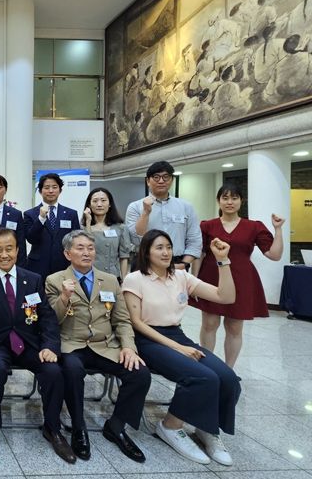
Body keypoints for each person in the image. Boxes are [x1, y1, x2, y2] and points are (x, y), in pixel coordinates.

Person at [122, 230, 240, 466]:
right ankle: (170, 426)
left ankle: (207, 427)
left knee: (228, 378)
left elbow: (225, 297)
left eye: (168, 247)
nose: (166, 252)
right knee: (202, 377)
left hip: (177, 335)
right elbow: (136, 322)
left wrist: (223, 261)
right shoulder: (135, 279)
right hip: (147, 340)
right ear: (146, 252)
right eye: (159, 248)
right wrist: (178, 348)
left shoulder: (181, 276)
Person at [0, 228, 73, 463]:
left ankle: (53, 428)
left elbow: (46, 317)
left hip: (27, 342)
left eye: (9, 249)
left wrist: (50, 346)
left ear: (17, 250)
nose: (4, 254)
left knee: (53, 371)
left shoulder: (33, 279)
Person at [45, 231, 150, 463]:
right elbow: (52, 321)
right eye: (80, 248)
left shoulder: (110, 280)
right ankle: (78, 427)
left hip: (105, 345)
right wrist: (64, 297)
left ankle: (116, 426)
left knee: (140, 374)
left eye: (90, 248)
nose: (86, 253)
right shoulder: (54, 280)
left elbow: (122, 320)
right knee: (71, 371)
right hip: (72, 345)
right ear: (67, 254)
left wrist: (128, 347)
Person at [194, 183, 285, 368]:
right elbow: (199, 254)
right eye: (225, 198)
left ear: (241, 201)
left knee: (234, 327)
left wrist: (278, 229)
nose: (230, 202)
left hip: (242, 280)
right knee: (209, 324)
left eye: (234, 198)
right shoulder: (207, 225)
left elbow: (274, 255)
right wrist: (194, 282)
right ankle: (207, 367)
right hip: (211, 277)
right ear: (218, 201)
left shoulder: (254, 226)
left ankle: (229, 370)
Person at [125, 161, 202, 271]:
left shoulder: (186, 207)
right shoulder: (135, 206)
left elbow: (195, 240)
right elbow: (135, 239)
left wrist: (184, 264)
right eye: (156, 177)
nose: (161, 181)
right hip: (145, 263)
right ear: (148, 181)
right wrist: (145, 213)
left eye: (166, 177)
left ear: (172, 180)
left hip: (178, 263)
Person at [24, 173, 80, 279]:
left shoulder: (71, 214)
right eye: (46, 187)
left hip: (64, 265)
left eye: (54, 187)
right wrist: (41, 218)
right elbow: (31, 239)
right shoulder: (30, 214)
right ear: (40, 191)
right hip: (38, 267)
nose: (51, 191)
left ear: (60, 190)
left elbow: (76, 240)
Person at [81, 187, 133, 279]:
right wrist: (88, 222)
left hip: (112, 277)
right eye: (95, 201)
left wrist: (124, 279)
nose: (99, 204)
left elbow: (124, 256)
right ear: (89, 205)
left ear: (109, 204)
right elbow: (86, 246)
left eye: (103, 200)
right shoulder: (82, 228)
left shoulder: (120, 228)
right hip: (88, 277)